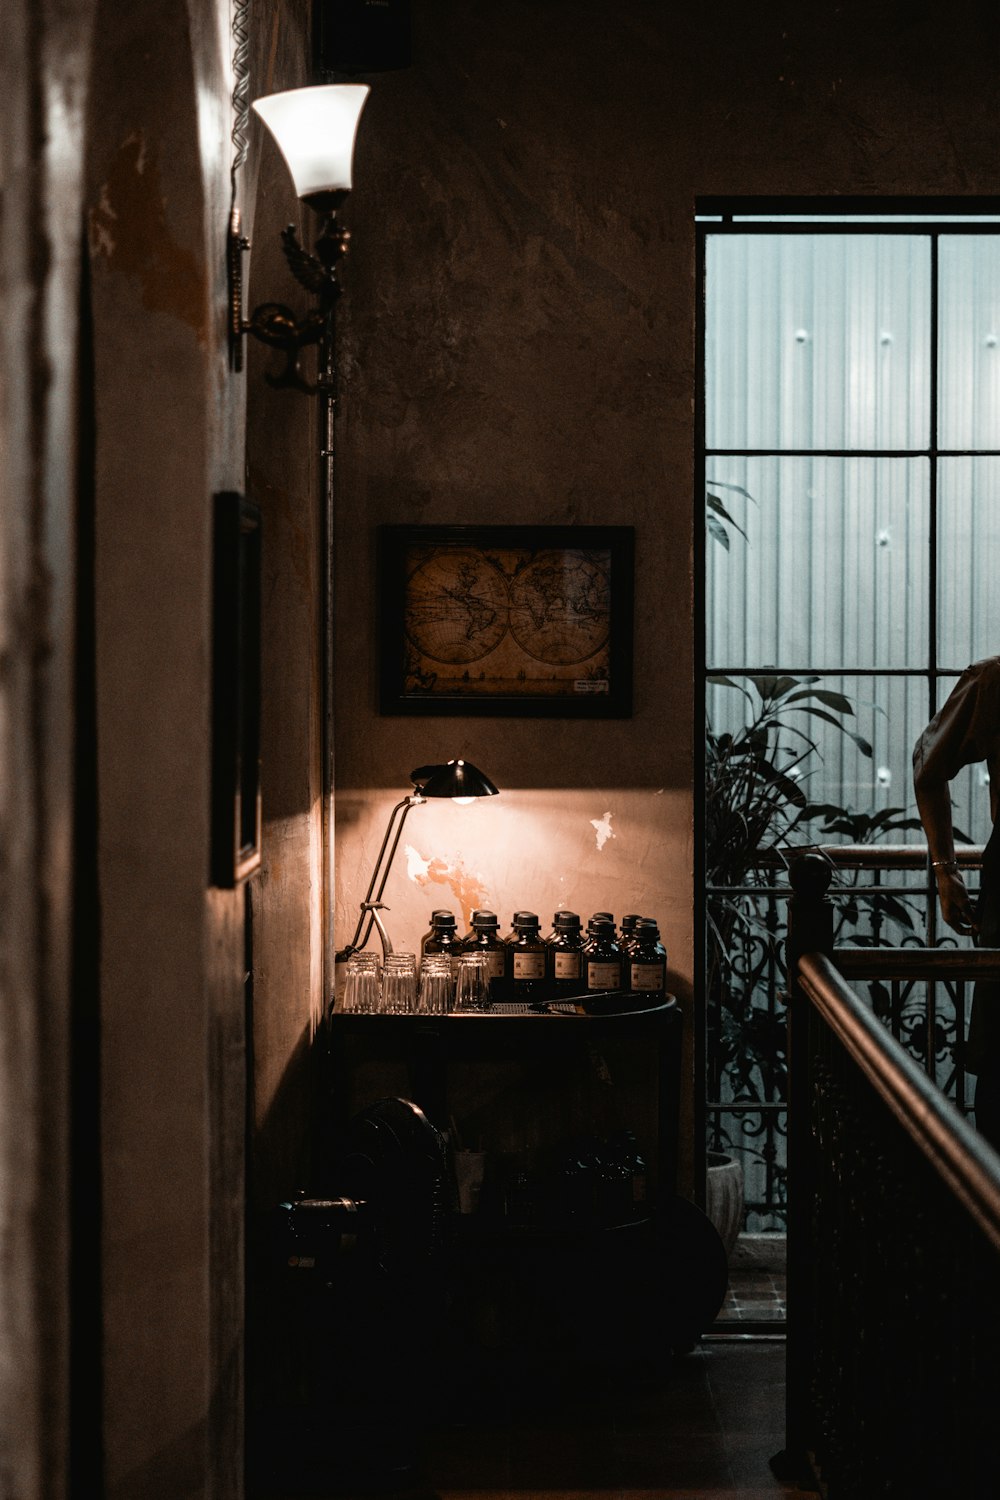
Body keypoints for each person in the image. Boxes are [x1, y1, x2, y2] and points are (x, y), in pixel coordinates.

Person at [913, 656, 1000, 1146]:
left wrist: (947, 871)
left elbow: (928, 765)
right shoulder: (993, 680)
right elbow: (929, 764)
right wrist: (944, 869)